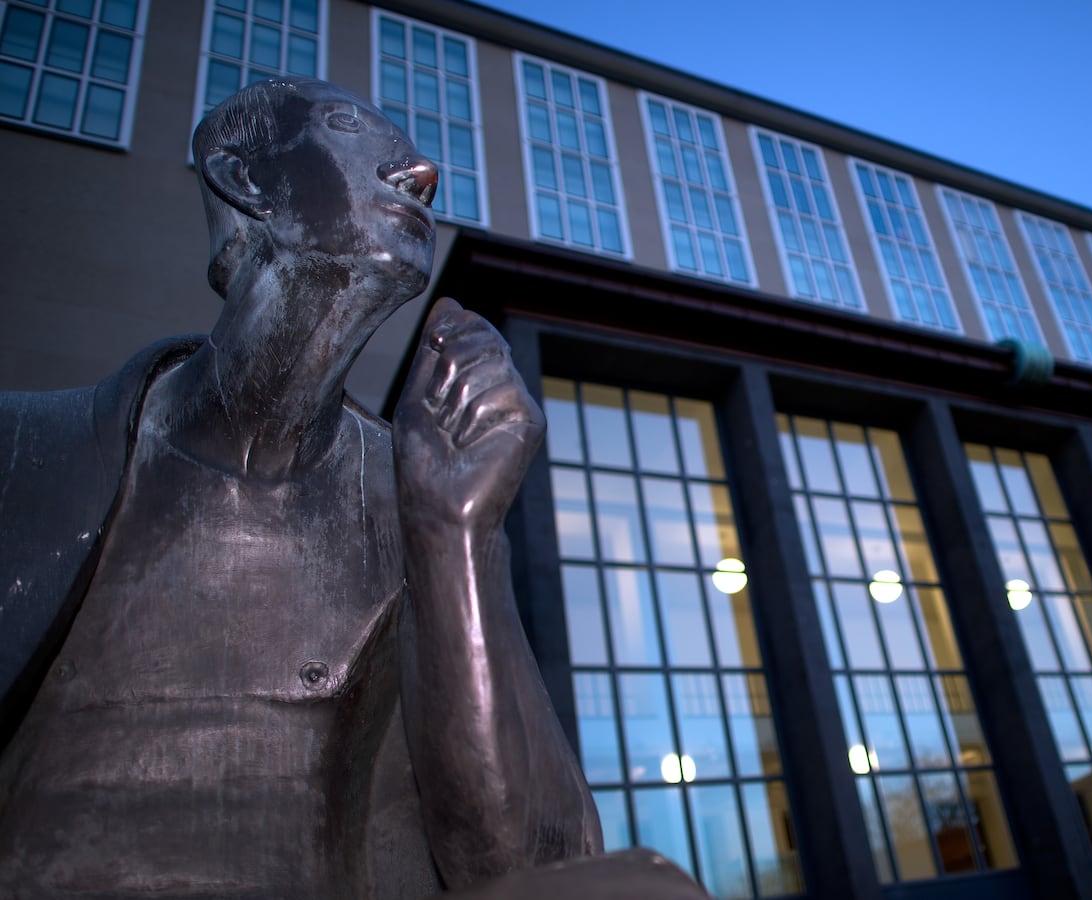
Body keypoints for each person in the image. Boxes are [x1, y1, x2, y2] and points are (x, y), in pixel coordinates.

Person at [0, 78, 656, 898]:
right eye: (352, 130)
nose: (418, 172)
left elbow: (544, 871)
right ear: (245, 180)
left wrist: (456, 539)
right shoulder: (28, 452)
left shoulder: (414, 493)